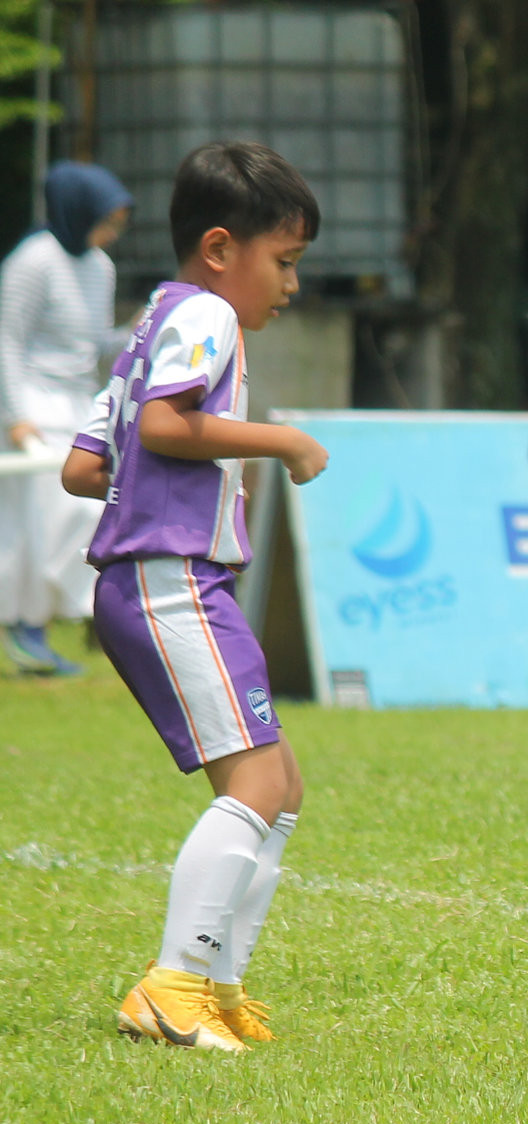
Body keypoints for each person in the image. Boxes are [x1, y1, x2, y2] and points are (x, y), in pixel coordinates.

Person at [61, 142, 328, 1051]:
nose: (291, 284)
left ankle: (214, 985)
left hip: (169, 579)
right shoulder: (209, 315)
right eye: (284, 260)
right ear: (220, 248)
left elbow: (83, 466)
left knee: (281, 783)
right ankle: (172, 987)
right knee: (257, 781)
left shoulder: (153, 322)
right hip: (169, 579)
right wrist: (280, 441)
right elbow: (165, 425)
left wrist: (152, 479)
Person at [0, 162, 132, 676]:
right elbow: (7, 340)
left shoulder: (100, 266)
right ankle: (27, 627)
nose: (112, 233)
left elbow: (93, 344)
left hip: (78, 407)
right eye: (107, 220)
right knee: (42, 523)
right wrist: (16, 416)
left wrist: (142, 328)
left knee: (82, 515)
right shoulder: (32, 261)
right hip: (34, 410)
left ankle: (47, 625)